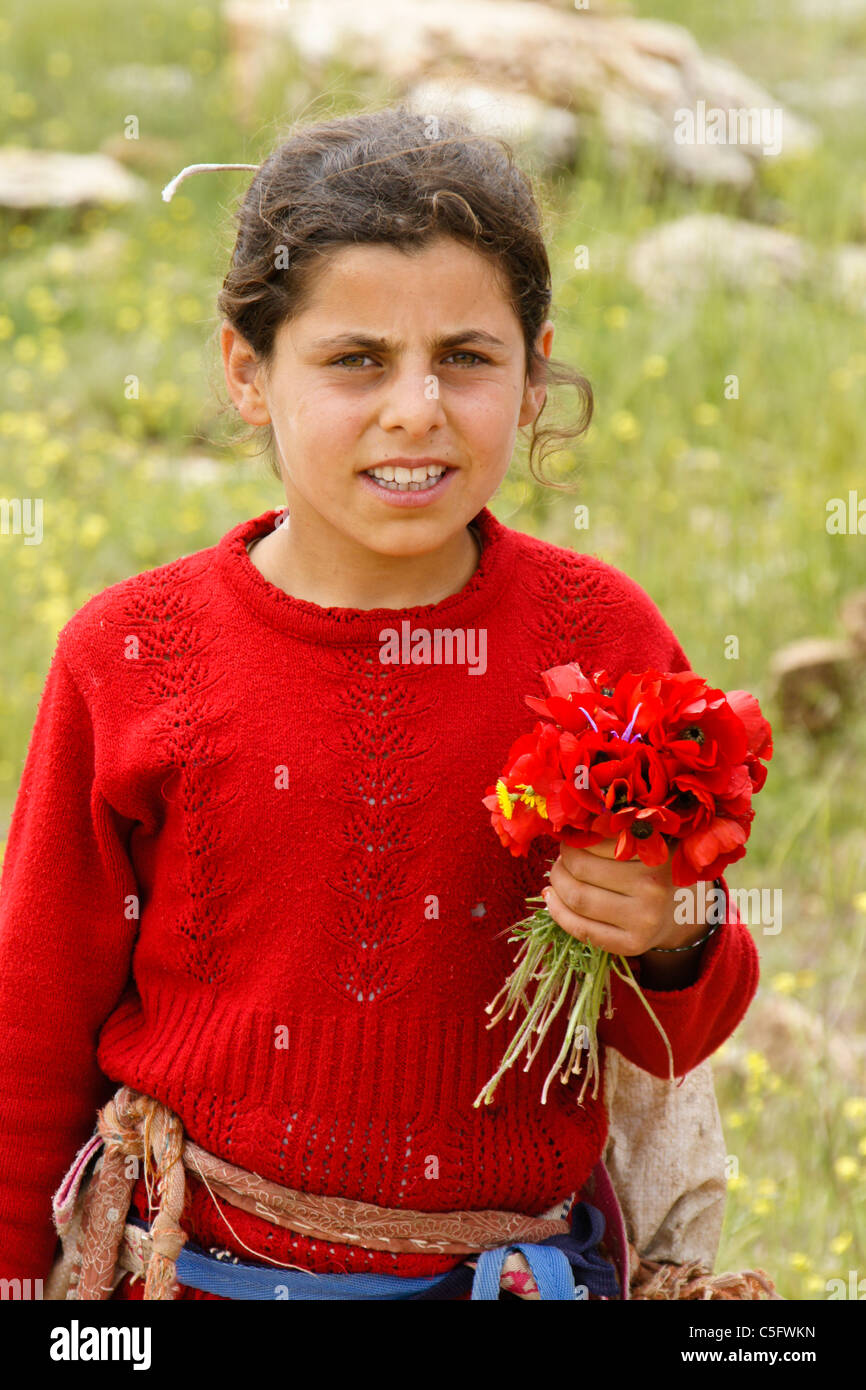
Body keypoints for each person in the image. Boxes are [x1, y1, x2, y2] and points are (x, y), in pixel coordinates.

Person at [0, 106, 759, 1301]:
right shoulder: (131, 652)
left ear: (532, 365)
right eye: (355, 360)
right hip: (185, 1278)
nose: (416, 407)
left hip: (512, 1278)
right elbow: (30, 1025)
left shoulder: (598, 641)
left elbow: (679, 1029)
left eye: (465, 356)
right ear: (247, 373)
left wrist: (670, 936)